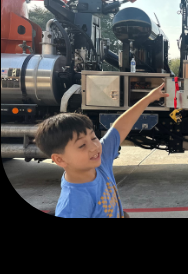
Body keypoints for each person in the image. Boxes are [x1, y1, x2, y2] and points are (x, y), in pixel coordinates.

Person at [38, 83, 169, 218]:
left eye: (94, 138)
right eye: (82, 145)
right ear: (60, 159)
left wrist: (148, 98)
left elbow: (120, 127)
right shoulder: (73, 204)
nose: (94, 146)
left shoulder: (100, 162)